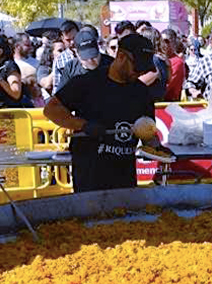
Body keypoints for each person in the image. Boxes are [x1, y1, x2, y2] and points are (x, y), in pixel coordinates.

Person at [44, 35, 171, 193]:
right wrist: (83, 125)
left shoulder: (142, 92)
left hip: (124, 177)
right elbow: (51, 109)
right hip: (90, 176)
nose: (139, 73)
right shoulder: (88, 83)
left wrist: (157, 147)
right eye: (137, 68)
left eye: (143, 70)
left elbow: (147, 132)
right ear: (121, 56)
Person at [55, 27, 112, 94]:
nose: (90, 60)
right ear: (77, 53)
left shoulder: (111, 64)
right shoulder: (70, 68)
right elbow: (60, 95)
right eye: (86, 57)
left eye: (93, 56)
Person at [136, 25, 170, 102]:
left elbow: (139, 84)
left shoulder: (153, 60)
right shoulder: (162, 60)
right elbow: (168, 79)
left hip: (148, 102)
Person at [52, 21, 81, 91]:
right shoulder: (59, 60)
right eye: (68, 40)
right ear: (62, 39)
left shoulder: (90, 54)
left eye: (74, 38)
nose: (72, 42)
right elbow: (57, 86)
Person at [161, 28, 186, 101]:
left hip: (169, 103)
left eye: (166, 41)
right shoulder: (160, 59)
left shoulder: (177, 62)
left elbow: (167, 86)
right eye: (160, 41)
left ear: (174, 43)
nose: (163, 44)